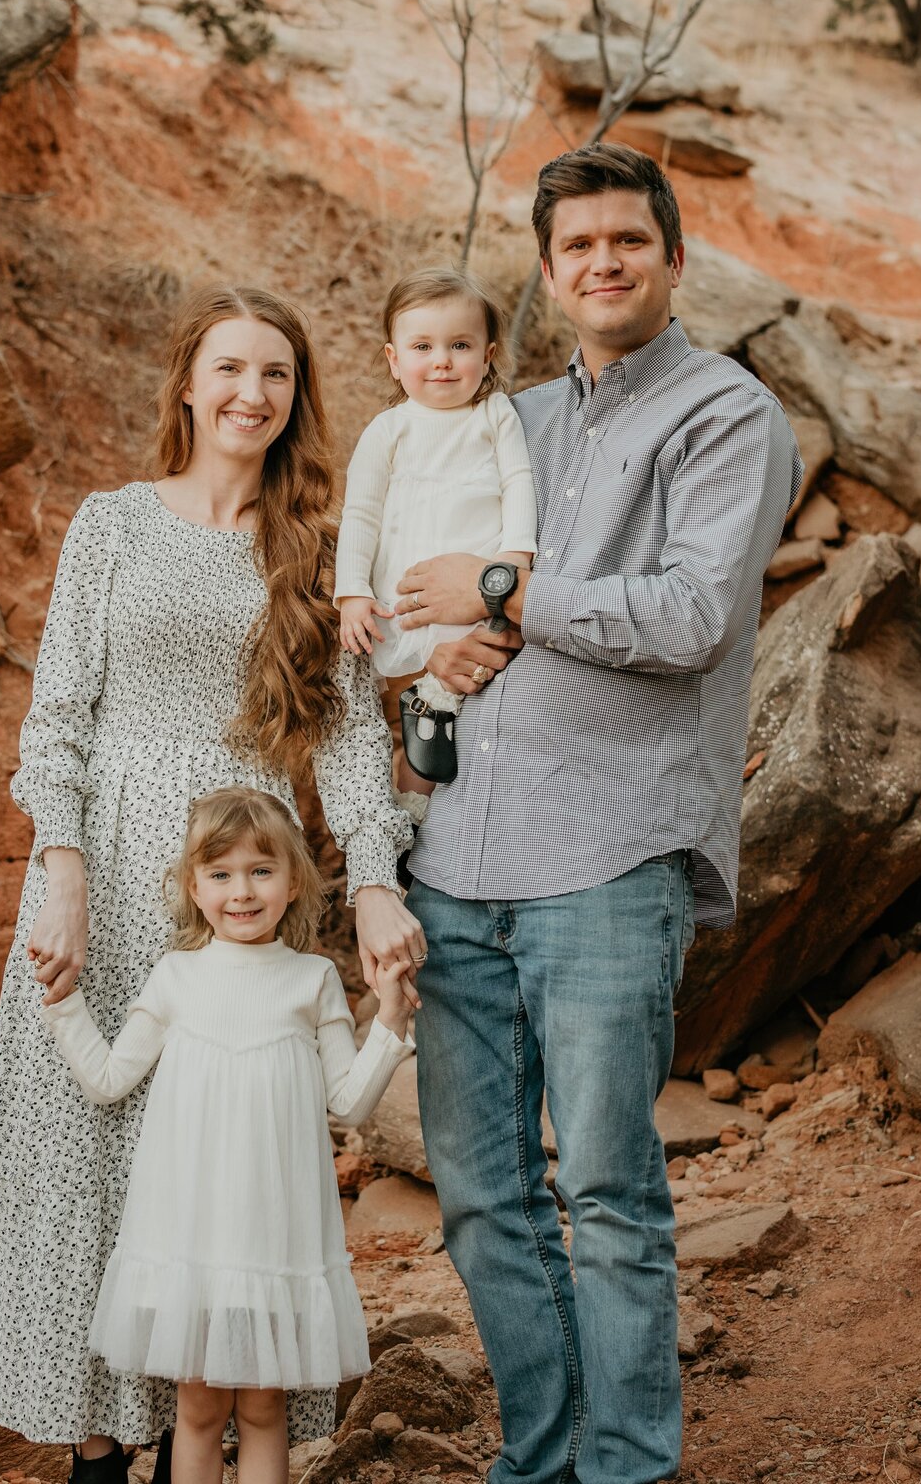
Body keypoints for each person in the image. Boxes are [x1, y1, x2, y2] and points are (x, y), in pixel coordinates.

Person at [374, 143, 803, 1484]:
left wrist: (499, 590)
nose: (604, 263)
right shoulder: (516, 423)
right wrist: (424, 649)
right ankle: (543, 1459)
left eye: (629, 240)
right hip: (456, 855)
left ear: (673, 258)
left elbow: (687, 617)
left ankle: (626, 1469)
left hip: (609, 857)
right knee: (486, 1199)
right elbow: (413, 590)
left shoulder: (727, 416)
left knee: (608, 1195)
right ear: (549, 277)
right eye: (578, 248)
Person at [0, 286, 421, 1482]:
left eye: (276, 374)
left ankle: (200, 1442)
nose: (251, 394)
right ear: (187, 382)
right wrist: (61, 875)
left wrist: (372, 881)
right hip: (101, 872)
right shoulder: (111, 524)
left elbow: (356, 736)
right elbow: (55, 719)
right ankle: (100, 1446)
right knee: (89, 1143)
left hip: (244, 885)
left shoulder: (315, 547)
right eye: (230, 369)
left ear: (296, 397)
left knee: (221, 1168)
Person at [40, 786, 414, 1484]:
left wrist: (390, 1016)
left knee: (265, 1410)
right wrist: (65, 1005)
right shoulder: (177, 975)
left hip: (275, 1239)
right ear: (194, 886)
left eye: (260, 871)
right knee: (200, 1409)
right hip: (190, 1236)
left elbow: (350, 1101)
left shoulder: (313, 980)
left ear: (294, 880)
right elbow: (110, 1078)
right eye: (220, 874)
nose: (241, 891)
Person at [335, 265, 536, 797]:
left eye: (460, 345)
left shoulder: (495, 415)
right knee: (404, 718)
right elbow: (361, 514)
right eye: (422, 346)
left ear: (488, 355)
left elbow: (518, 481)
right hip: (403, 600)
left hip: (474, 594)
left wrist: (515, 555)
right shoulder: (388, 430)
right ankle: (400, 820)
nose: (442, 360)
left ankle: (436, 811)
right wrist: (352, 590)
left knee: (455, 701)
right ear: (394, 360)